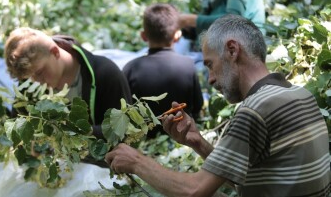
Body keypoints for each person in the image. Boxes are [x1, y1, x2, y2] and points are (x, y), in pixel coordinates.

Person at [105, 15, 330, 196]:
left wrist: (136, 161)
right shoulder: (299, 94)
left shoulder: (256, 110)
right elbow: (253, 181)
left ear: (232, 50)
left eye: (211, 65)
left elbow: (195, 190)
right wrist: (199, 143)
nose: (211, 78)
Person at [4, 27, 132, 138]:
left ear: (55, 52)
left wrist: (75, 133)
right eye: (28, 77)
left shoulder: (105, 73)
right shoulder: (30, 83)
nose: (36, 81)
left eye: (39, 72)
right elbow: (18, 126)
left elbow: (123, 130)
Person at [122, 3, 203, 138]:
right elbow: (197, 107)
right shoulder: (188, 65)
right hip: (181, 138)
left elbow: (123, 114)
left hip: (142, 139)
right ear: (177, 35)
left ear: (143, 36)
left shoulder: (130, 68)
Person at [178, 0, 265, 52]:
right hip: (210, 47)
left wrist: (190, 20)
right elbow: (208, 19)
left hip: (241, 49)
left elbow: (233, 20)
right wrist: (188, 27)